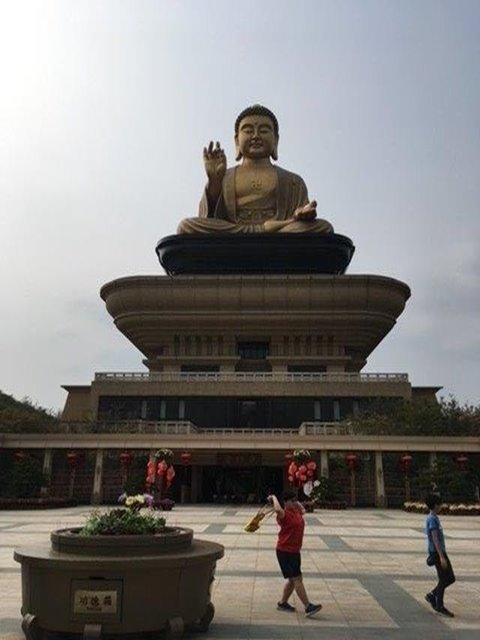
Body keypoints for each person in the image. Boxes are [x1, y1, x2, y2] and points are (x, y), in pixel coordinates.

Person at [177, 104, 334, 234]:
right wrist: (215, 182)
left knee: (323, 227)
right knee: (186, 226)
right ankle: (264, 235)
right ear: (237, 141)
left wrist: (301, 215)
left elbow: (301, 213)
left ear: (275, 140)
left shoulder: (292, 181)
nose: (256, 136)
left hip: (281, 231)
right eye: (248, 130)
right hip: (235, 232)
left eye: (264, 130)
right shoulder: (225, 176)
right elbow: (208, 218)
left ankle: (268, 234)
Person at [267, 490, 322, 617]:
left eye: (295, 500)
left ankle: (283, 603)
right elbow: (277, 510)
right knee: (297, 578)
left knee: (292, 580)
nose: (295, 502)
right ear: (285, 503)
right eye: (291, 501)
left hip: (294, 551)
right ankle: (308, 606)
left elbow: (304, 510)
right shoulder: (284, 515)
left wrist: (296, 502)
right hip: (285, 551)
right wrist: (274, 497)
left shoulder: (296, 512)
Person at [424, 493, 456, 617]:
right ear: (435, 505)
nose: (441, 506)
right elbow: (435, 539)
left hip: (440, 552)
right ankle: (439, 605)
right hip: (437, 553)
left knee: (450, 578)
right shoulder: (432, 519)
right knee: (444, 578)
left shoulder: (434, 518)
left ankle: (432, 595)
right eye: (440, 504)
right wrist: (442, 556)